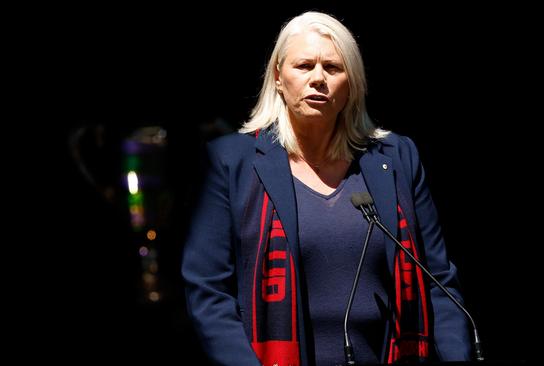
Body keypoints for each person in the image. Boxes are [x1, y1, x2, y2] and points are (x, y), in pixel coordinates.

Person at [182, 11, 472, 365]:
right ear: (277, 77)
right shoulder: (231, 163)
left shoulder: (395, 158)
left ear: (352, 83)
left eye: (333, 68)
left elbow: (439, 283)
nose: (318, 78)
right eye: (304, 65)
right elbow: (208, 292)